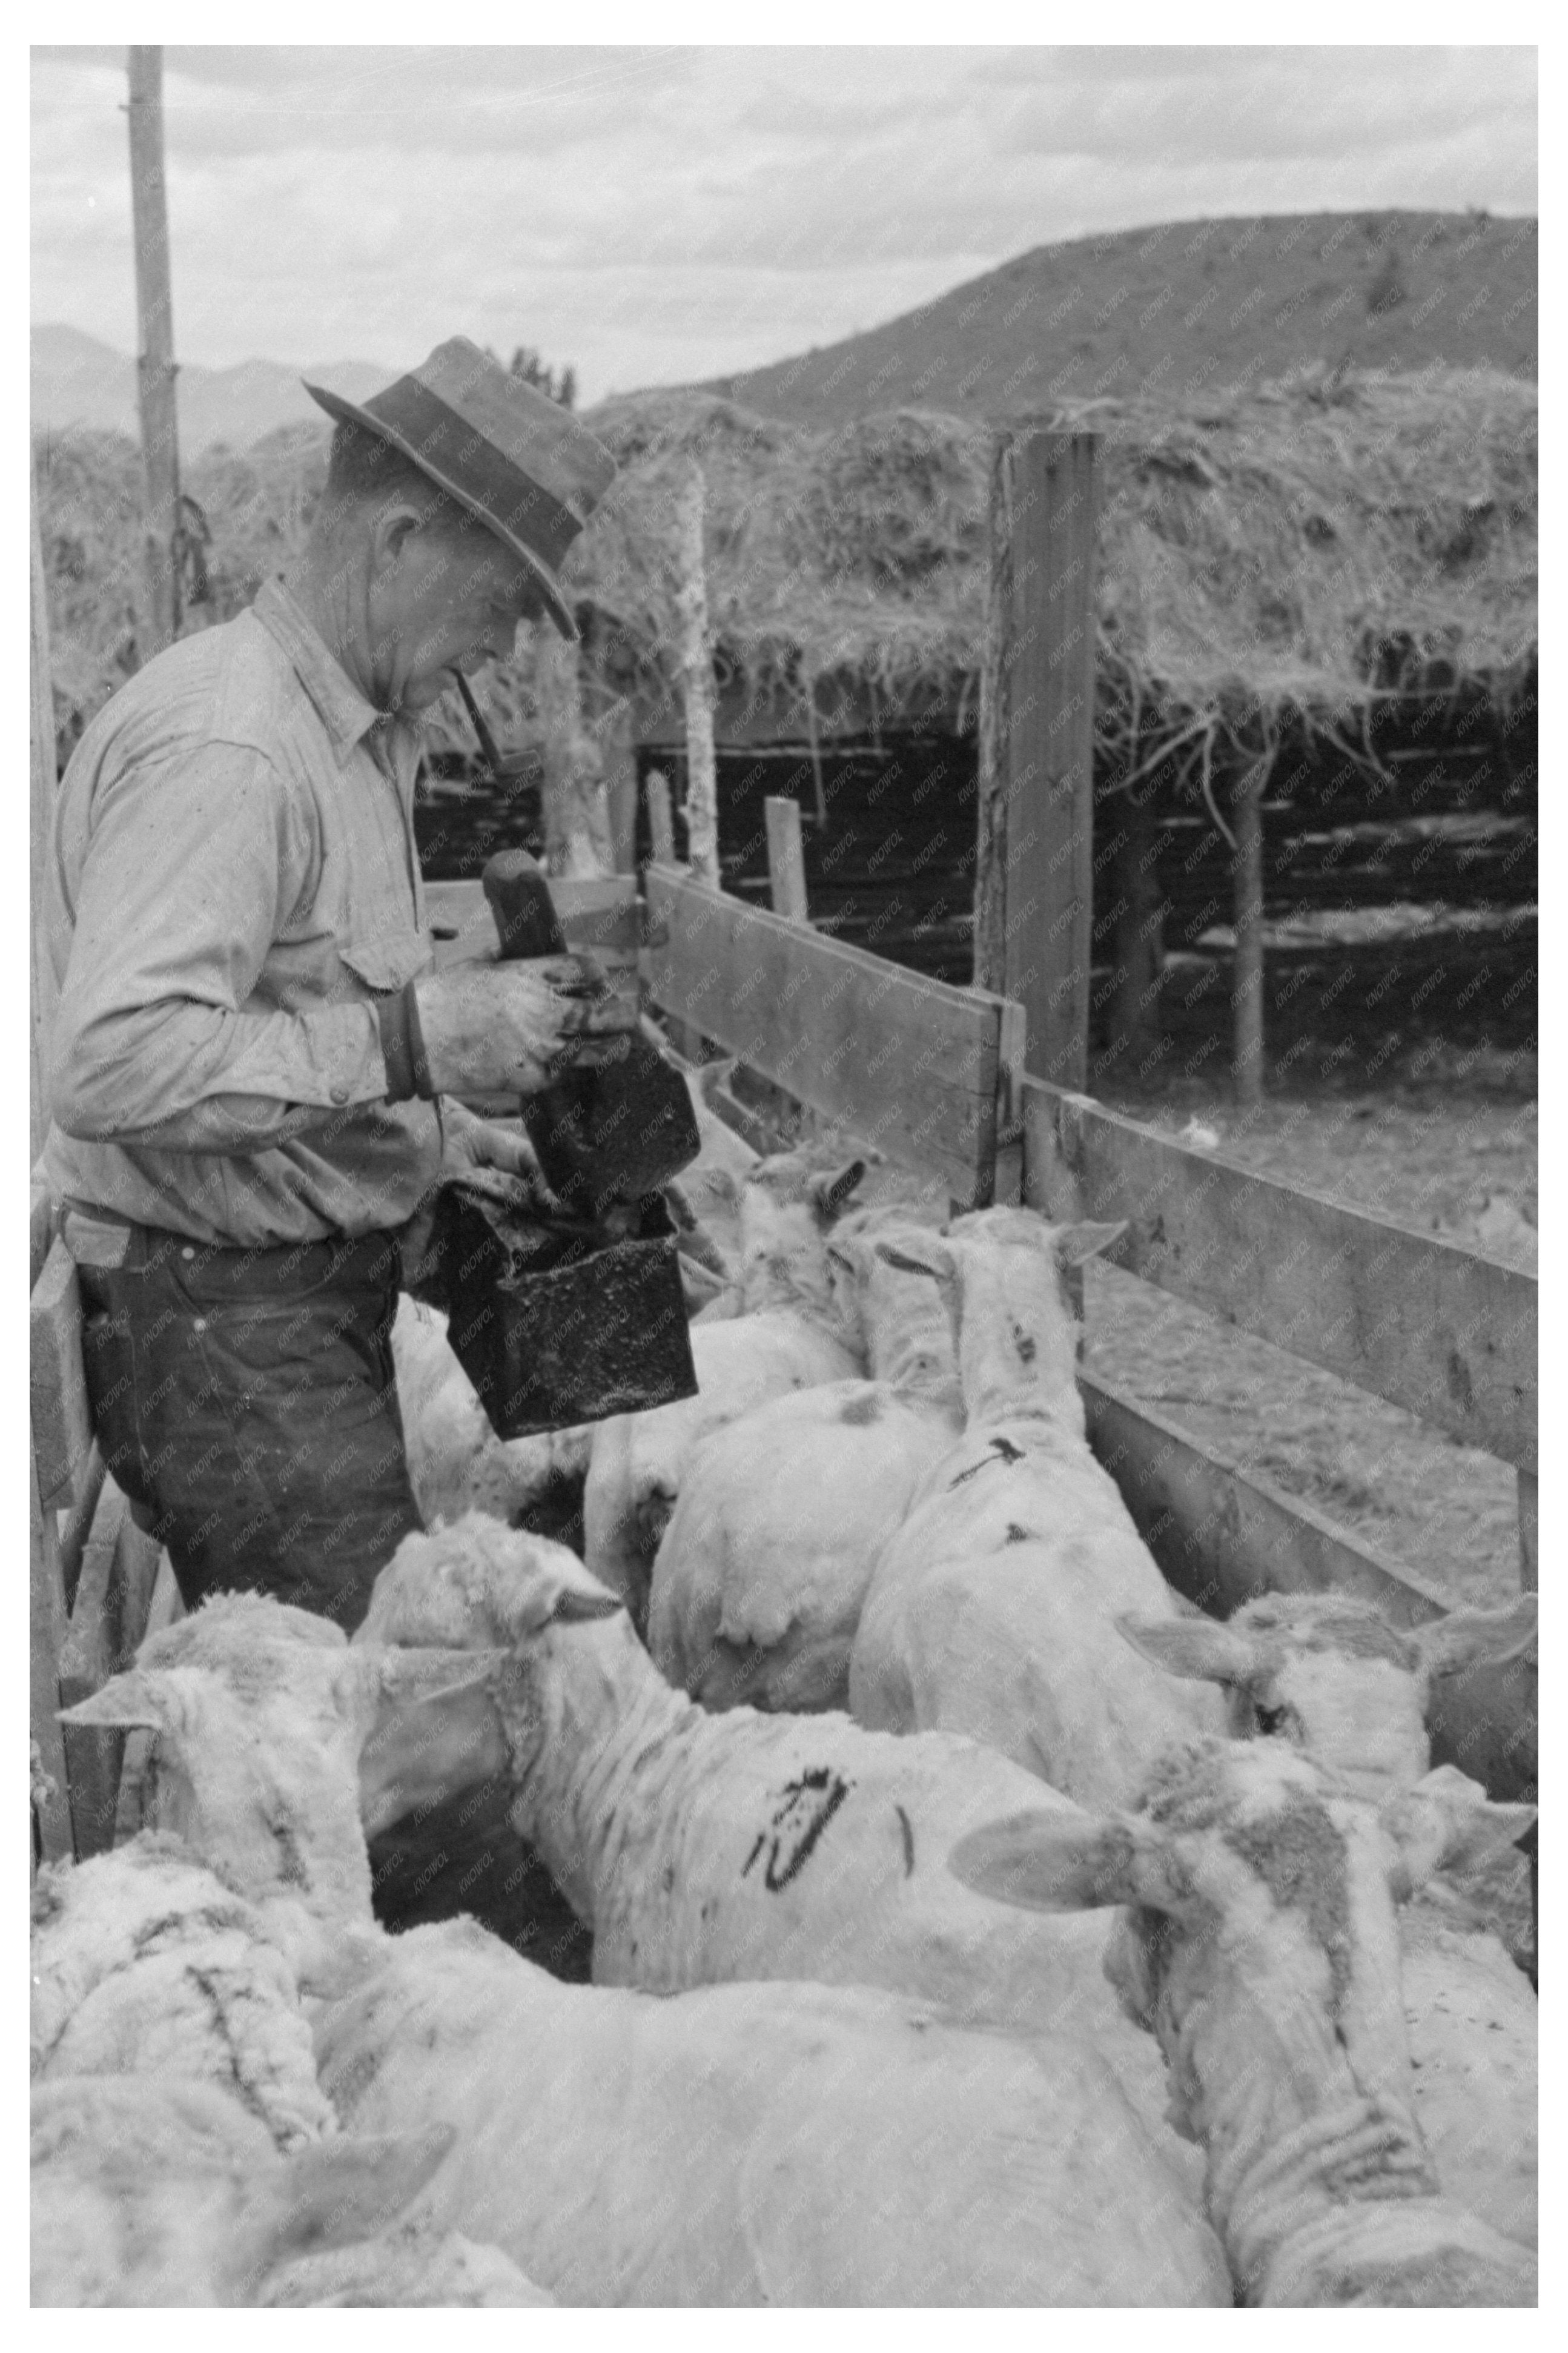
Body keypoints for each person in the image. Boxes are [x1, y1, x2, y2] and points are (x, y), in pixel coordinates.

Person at [42, 336, 630, 1641]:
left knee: (409, 1699)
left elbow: (297, 1002)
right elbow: (106, 1062)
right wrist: (417, 1033)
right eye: (505, 599)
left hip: (291, 1299)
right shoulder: (234, 750)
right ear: (403, 538)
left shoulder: (359, 739)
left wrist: (436, 1133)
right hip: (224, 1335)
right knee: (404, 1751)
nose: (508, 639)